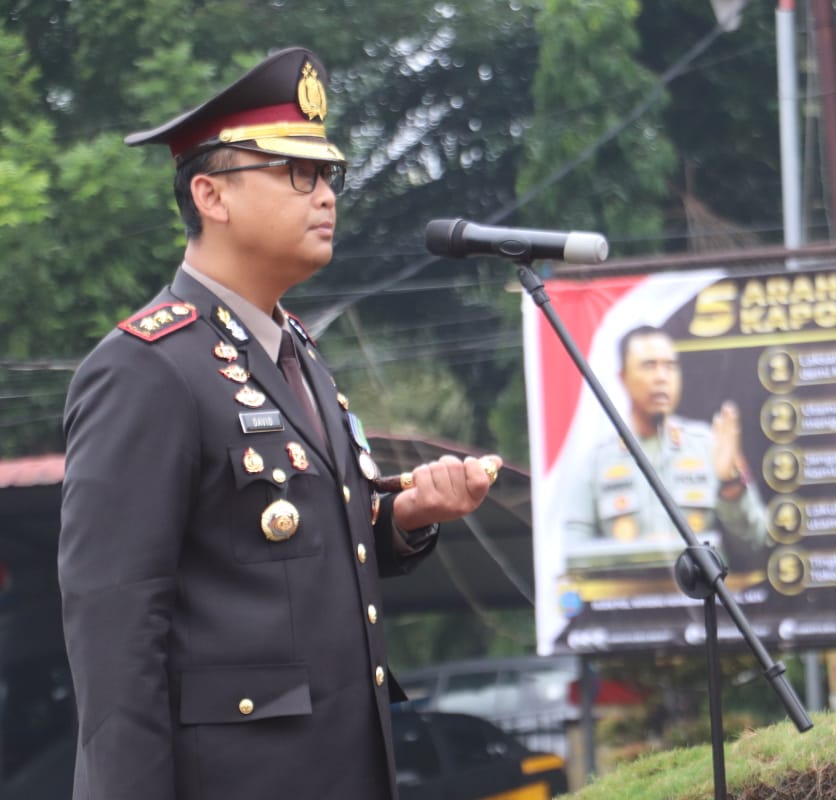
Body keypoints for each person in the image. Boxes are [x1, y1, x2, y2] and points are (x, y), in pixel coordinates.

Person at [57, 47, 501, 800]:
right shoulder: (148, 368)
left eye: (329, 175)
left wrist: (405, 516)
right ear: (211, 195)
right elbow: (116, 632)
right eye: (298, 173)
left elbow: (301, 546)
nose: (324, 194)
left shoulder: (294, 351)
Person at [562, 325, 768, 571]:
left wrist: (731, 485)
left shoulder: (708, 446)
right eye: (649, 366)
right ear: (623, 377)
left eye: (670, 366)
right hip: (626, 604)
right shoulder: (597, 460)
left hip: (702, 604)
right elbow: (574, 555)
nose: (662, 377)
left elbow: (756, 541)